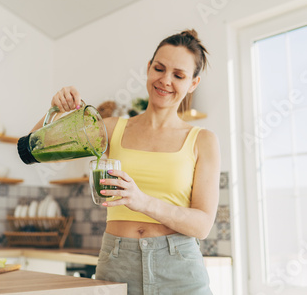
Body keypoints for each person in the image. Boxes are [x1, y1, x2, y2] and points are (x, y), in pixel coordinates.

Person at [38, 29, 220, 294]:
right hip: (117, 262)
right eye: (159, 68)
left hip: (179, 269)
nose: (165, 80)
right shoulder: (112, 129)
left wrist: (142, 201)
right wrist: (55, 111)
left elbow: (202, 225)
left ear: (193, 83)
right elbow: (39, 146)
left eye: (179, 75)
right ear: (148, 68)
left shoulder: (203, 140)